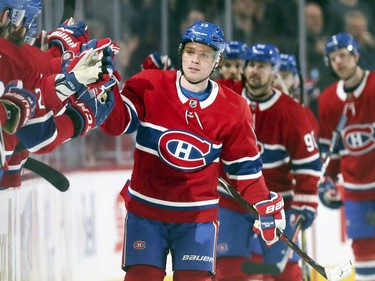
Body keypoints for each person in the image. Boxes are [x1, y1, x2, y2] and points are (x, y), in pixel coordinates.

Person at [100, 21, 286, 281]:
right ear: (181, 52)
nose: (195, 60)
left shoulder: (233, 108)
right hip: (146, 213)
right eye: (190, 51)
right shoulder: (150, 84)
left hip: (197, 218)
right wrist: (103, 90)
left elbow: (245, 171)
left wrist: (264, 202)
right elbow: (117, 125)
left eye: (205, 54)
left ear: (217, 60)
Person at [215, 44, 321, 281]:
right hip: (233, 200)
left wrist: (306, 202)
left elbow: (309, 165)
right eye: (251, 65)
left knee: (285, 274)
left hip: (276, 204)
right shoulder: (226, 98)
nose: (254, 70)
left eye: (261, 66)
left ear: (274, 72)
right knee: (229, 272)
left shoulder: (292, 113)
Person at [318, 32, 375, 281]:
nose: (338, 61)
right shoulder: (328, 99)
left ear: (356, 55)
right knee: (363, 252)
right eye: (333, 57)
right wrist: (328, 178)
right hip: (355, 189)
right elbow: (331, 149)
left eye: (343, 55)